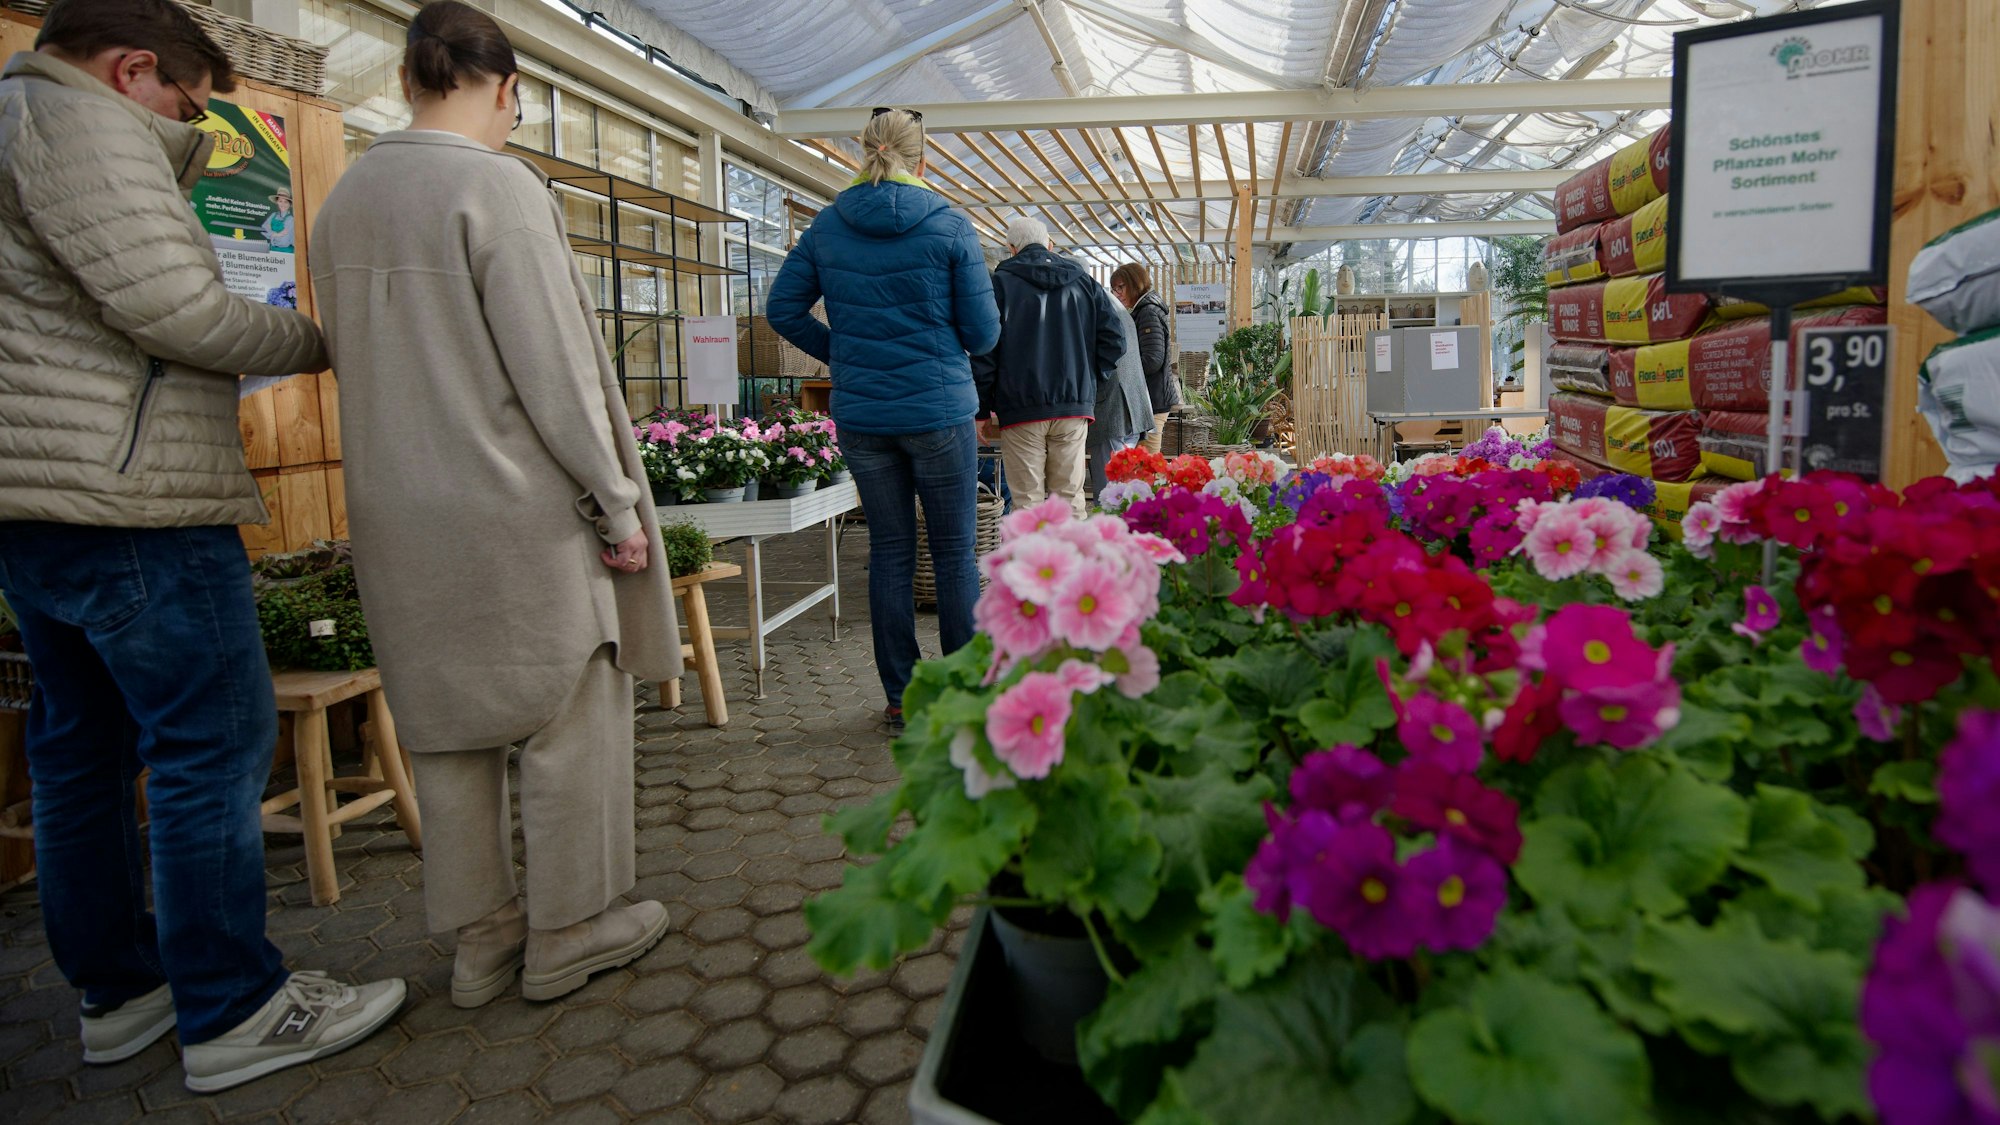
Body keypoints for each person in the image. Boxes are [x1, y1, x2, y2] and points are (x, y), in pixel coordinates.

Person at [0, 0, 404, 1093]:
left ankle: (123, 993)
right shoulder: (81, 129)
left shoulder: (13, 122)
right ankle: (234, 1005)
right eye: (184, 103)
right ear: (133, 70)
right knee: (208, 747)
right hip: (138, 504)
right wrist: (325, 340)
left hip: (35, 501)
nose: (187, 124)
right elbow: (180, 312)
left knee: (78, 754)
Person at [308, 0, 681, 1010]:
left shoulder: (341, 202)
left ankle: (479, 941)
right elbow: (555, 373)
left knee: (447, 730)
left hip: (397, 511)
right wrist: (615, 504)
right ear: (507, 89)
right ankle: (572, 926)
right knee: (570, 709)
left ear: (407, 82)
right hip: (515, 506)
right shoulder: (498, 189)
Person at [766, 107, 998, 730]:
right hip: (939, 408)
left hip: (864, 415)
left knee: (890, 549)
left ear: (860, 153)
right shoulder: (950, 225)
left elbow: (782, 309)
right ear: (924, 160)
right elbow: (982, 333)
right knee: (953, 553)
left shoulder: (827, 227)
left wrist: (845, 352)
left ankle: (901, 696)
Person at [972, 216, 1125, 516]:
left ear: (1011, 249)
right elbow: (1115, 339)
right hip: (1073, 406)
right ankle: (1073, 562)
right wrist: (1090, 377)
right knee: (1070, 499)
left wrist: (981, 409)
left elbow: (985, 350)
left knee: (1027, 503)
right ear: (1050, 245)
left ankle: (1032, 562)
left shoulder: (999, 284)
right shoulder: (1084, 282)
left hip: (1020, 407)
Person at [1087, 291, 1153, 498]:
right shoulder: (1111, 301)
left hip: (1111, 407)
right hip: (1130, 404)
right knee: (1123, 488)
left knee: (1110, 494)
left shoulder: (1092, 300)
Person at [1111, 262, 1177, 454]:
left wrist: (1123, 371)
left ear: (1135, 283)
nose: (1117, 294)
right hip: (1151, 400)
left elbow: (1153, 359)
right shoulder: (1145, 309)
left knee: (1148, 466)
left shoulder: (1147, 311)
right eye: (1114, 289)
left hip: (1154, 401)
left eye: (1121, 287)